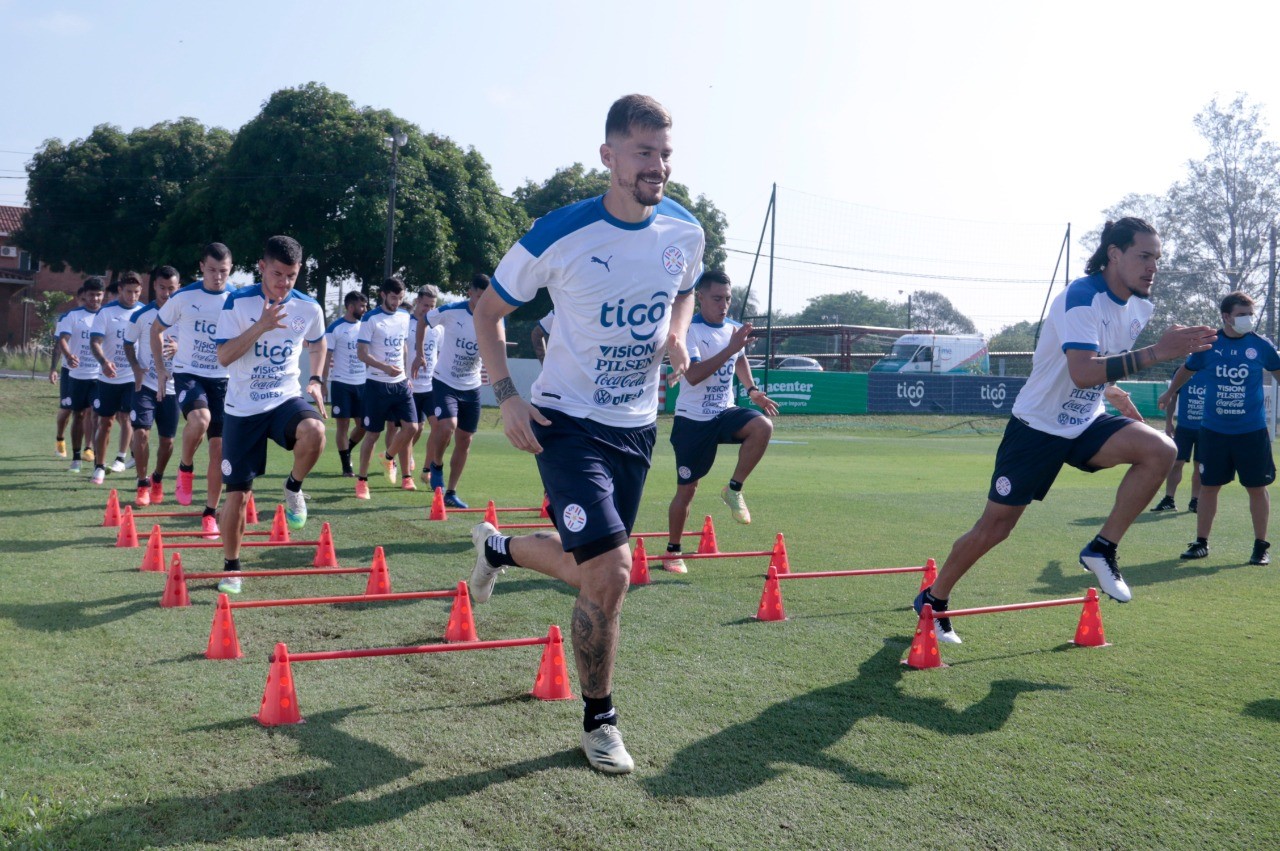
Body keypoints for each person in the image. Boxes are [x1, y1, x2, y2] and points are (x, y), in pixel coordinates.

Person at [471, 94, 704, 774]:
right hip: (565, 422)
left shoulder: (684, 231)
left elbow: (685, 287)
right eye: (642, 153)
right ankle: (599, 719)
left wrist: (679, 333)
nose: (656, 166)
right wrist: (507, 395)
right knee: (613, 569)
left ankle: (501, 548)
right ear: (609, 157)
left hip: (636, 429)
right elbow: (489, 312)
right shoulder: (559, 233)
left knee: (591, 570)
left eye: (664, 153)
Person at [915, 218, 1216, 644]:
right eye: (1144, 256)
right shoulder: (1081, 297)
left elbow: (1098, 362)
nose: (1153, 268)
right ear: (1114, 254)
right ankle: (934, 599)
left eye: (1157, 259)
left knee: (1161, 451)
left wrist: (1115, 394)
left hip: (1085, 422)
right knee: (995, 528)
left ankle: (1102, 549)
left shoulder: (1139, 306)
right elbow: (1079, 372)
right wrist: (1157, 352)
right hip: (1036, 427)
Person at [213, 235, 327, 594]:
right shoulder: (237, 302)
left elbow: (319, 342)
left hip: (284, 397)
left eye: (291, 275)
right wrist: (260, 325)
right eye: (278, 274)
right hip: (242, 408)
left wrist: (316, 380)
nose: (284, 282)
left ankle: (293, 487)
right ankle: (232, 567)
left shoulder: (309, 307)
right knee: (238, 497)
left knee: (315, 431)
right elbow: (224, 356)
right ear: (261, 267)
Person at [664, 270, 778, 572]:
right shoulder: (690, 329)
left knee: (762, 426)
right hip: (693, 420)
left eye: (728, 299)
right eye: (717, 298)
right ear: (700, 298)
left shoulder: (734, 328)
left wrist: (752, 390)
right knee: (687, 489)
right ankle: (673, 552)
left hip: (724, 411)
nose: (723, 305)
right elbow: (695, 374)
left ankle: (734, 489)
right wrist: (731, 346)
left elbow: (739, 360)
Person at [1158, 292, 1280, 565]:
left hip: (1252, 432)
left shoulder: (1261, 346)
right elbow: (1186, 370)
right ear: (1226, 317)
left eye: (1250, 314)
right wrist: (1170, 393)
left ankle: (1261, 546)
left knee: (1256, 488)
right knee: (1209, 486)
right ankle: (1201, 543)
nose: (1247, 320)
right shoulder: (1208, 346)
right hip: (1213, 432)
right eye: (1241, 315)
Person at [154, 243, 234, 538]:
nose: (217, 276)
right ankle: (185, 468)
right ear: (202, 266)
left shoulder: (236, 299)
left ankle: (210, 514)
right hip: (189, 373)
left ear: (231, 269)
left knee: (219, 449)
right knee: (200, 420)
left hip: (223, 379)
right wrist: (162, 369)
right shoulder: (185, 296)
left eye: (223, 271)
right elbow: (156, 330)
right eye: (212, 270)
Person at [423, 274, 489, 508]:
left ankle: (450, 492)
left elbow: (496, 344)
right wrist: (420, 353)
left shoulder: (493, 316)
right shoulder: (451, 311)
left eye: (486, 297)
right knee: (447, 426)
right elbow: (424, 319)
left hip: (471, 387)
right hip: (445, 381)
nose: (483, 301)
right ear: (470, 292)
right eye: (479, 296)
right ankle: (436, 464)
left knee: (465, 439)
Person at [354, 276, 418, 497]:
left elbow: (403, 347)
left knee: (412, 428)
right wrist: (384, 367)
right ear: (383, 294)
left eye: (401, 298)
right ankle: (362, 481)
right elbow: (361, 354)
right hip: (376, 384)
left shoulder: (404, 316)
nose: (397, 302)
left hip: (400, 384)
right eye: (393, 297)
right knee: (372, 434)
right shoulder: (370, 319)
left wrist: (407, 374)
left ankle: (389, 459)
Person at [124, 266, 182, 506]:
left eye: (171, 288)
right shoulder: (141, 315)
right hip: (146, 384)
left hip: (173, 388)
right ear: (154, 286)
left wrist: (180, 349)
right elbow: (128, 343)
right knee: (141, 432)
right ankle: (142, 483)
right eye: (161, 287)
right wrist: (136, 367)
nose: (166, 293)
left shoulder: (185, 315)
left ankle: (157, 477)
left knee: (167, 442)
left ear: (178, 288)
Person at [88, 273, 144, 484]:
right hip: (108, 377)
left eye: (137, 292)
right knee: (105, 422)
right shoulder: (106, 312)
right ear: (120, 290)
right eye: (129, 292)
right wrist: (104, 362)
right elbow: (95, 342)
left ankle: (121, 457)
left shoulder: (143, 312)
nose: (132, 296)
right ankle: (99, 466)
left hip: (132, 377)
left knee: (130, 418)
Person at [57, 277, 106, 473]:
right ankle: (76, 458)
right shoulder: (72, 316)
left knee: (98, 416)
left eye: (98, 294)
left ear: (103, 295)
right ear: (84, 295)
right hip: (77, 375)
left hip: (99, 376)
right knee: (78, 415)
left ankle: (94, 456)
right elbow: (63, 339)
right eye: (91, 294)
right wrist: (69, 356)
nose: (95, 298)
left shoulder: (107, 315)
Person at [323, 290, 368, 477]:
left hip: (363, 384)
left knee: (364, 425)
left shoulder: (365, 326)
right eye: (361, 306)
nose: (365, 309)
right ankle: (346, 466)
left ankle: (347, 449)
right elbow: (326, 356)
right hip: (341, 383)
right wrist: (322, 382)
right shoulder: (335, 328)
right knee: (342, 426)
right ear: (350, 307)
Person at [1150, 368, 1208, 513]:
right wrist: (1169, 422)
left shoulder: (1213, 368)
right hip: (1184, 428)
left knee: (1200, 466)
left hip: (1207, 428)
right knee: (1176, 463)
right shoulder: (1183, 370)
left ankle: (1195, 500)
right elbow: (1173, 397)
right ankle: (1169, 499)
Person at [408, 284, 443, 481]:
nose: (429, 310)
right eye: (425, 305)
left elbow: (440, 353)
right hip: (409, 386)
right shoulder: (406, 323)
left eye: (432, 306)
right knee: (415, 428)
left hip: (431, 385)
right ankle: (404, 459)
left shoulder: (438, 327)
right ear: (417, 302)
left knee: (437, 427)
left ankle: (426, 470)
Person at [50, 287, 87, 459]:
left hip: (90, 372)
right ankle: (60, 439)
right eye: (83, 299)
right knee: (66, 409)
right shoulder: (69, 317)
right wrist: (53, 369)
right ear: (79, 299)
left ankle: (88, 448)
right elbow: (58, 345)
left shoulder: (99, 317)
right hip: (69, 371)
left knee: (88, 411)